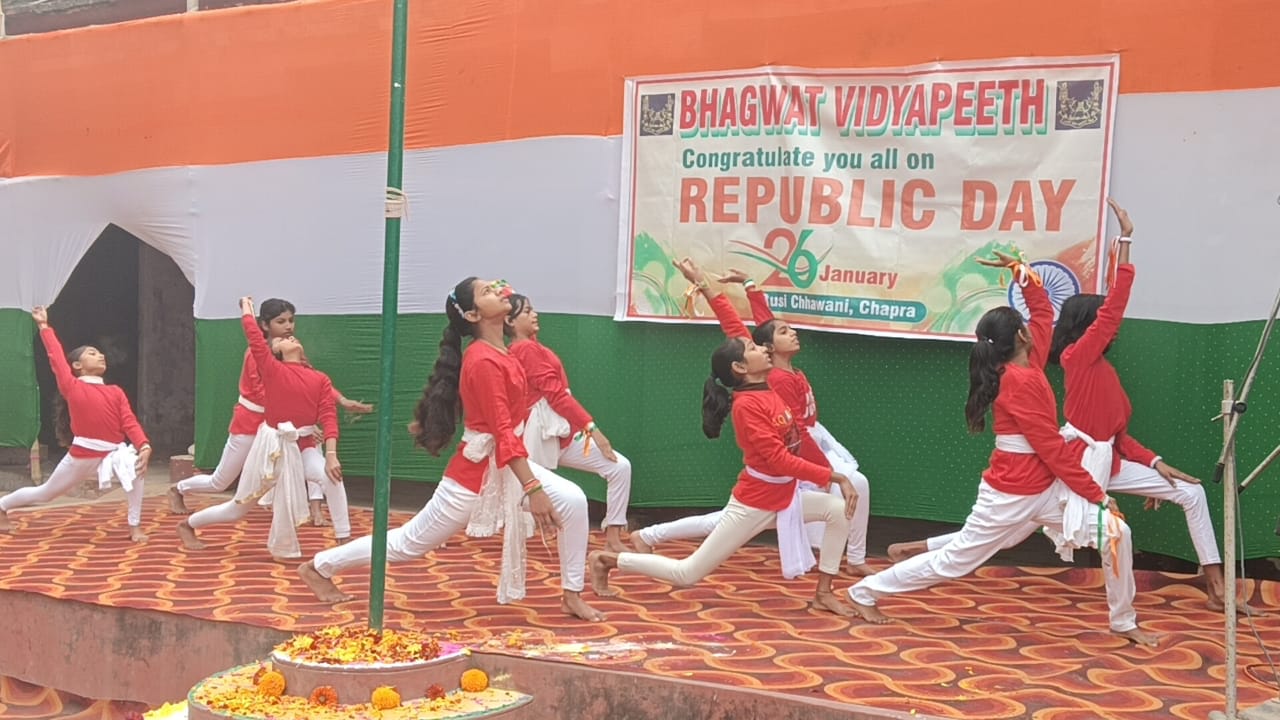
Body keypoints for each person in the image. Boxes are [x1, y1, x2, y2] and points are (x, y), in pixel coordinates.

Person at [891, 201, 1232, 612]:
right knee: (1037, 532)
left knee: (1190, 493)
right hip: (1081, 462)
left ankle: (1216, 586)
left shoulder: (1100, 366)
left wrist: (1156, 464)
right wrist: (1126, 240)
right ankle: (1123, 611)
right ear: (1094, 324)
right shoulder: (1079, 356)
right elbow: (1114, 305)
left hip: (1110, 460)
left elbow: (1117, 434)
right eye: (1106, 318)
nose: (1117, 325)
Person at [846, 250, 1161, 647]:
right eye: (1027, 327)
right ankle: (864, 591)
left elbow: (1043, 313)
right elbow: (1051, 449)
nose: (1035, 327)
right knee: (955, 562)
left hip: (1043, 490)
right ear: (1022, 337)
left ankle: (1123, 621)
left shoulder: (1030, 360)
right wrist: (1098, 495)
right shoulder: (1019, 381)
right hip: (1012, 493)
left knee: (1117, 534)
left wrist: (1022, 274)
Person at [297, 277, 604, 622]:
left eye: (496, 288)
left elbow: (510, 428)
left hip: (504, 463)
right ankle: (318, 566)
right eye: (487, 292)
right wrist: (532, 488)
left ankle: (571, 594)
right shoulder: (483, 361)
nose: (500, 292)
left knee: (574, 501)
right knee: (408, 544)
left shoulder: (504, 351)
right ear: (473, 314)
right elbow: (502, 431)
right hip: (474, 475)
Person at [587, 258, 858, 616]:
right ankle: (609, 560)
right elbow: (777, 459)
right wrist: (832, 474)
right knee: (687, 574)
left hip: (785, 496)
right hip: (756, 501)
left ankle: (824, 592)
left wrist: (704, 281)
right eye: (755, 349)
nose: (762, 347)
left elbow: (732, 320)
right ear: (741, 368)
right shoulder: (748, 406)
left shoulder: (764, 379)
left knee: (839, 513)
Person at [631, 268, 875, 575]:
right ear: (764, 350)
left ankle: (845, 560)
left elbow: (764, 323)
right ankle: (648, 535)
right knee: (725, 523)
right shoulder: (769, 380)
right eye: (782, 333)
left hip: (800, 449)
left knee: (839, 495)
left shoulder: (776, 364)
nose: (791, 333)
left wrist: (750, 286)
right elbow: (735, 326)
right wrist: (826, 473)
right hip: (792, 455)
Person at [168, 298, 371, 539]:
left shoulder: (296, 357)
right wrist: (302, 420)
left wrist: (340, 403)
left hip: (290, 435)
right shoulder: (261, 358)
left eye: (291, 321)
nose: (288, 327)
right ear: (265, 325)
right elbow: (276, 394)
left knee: (330, 477)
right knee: (220, 483)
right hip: (255, 427)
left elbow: (312, 381)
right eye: (280, 321)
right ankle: (179, 489)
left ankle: (343, 537)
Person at [1, 306, 152, 542]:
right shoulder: (72, 386)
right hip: (82, 455)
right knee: (46, 494)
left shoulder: (115, 391)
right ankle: (2, 506)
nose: (100, 355)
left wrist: (143, 445)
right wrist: (44, 326)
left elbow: (129, 421)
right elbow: (57, 360)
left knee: (136, 472)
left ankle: (135, 526)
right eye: (92, 353)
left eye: (101, 354)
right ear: (77, 366)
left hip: (112, 453)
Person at [506, 293, 633, 553]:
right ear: (509, 321)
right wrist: (593, 430)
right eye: (527, 311)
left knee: (619, 468)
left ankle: (613, 535)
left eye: (533, 309)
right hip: (540, 435)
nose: (534, 314)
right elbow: (557, 396)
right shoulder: (525, 349)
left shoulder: (532, 346)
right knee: (505, 488)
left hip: (559, 432)